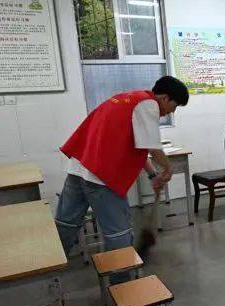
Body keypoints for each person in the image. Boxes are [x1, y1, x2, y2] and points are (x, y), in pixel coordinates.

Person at [55, 76, 189, 259]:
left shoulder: (129, 99)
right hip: (101, 176)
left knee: (66, 224)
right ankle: (122, 283)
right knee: (119, 236)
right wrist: (168, 167)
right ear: (164, 98)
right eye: (174, 107)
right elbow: (152, 146)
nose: (168, 113)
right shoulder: (149, 104)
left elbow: (137, 145)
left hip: (78, 168)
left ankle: (52, 272)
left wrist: (153, 175)